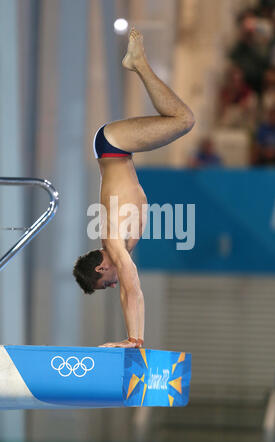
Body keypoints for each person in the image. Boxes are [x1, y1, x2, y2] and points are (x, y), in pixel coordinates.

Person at [72, 27, 195, 348]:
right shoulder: (117, 246)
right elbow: (127, 284)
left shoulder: (113, 244)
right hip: (114, 149)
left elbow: (131, 288)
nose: (111, 285)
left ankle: (138, 63)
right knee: (180, 119)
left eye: (104, 283)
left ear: (101, 267)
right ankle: (138, 63)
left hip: (112, 145)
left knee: (183, 119)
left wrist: (134, 338)